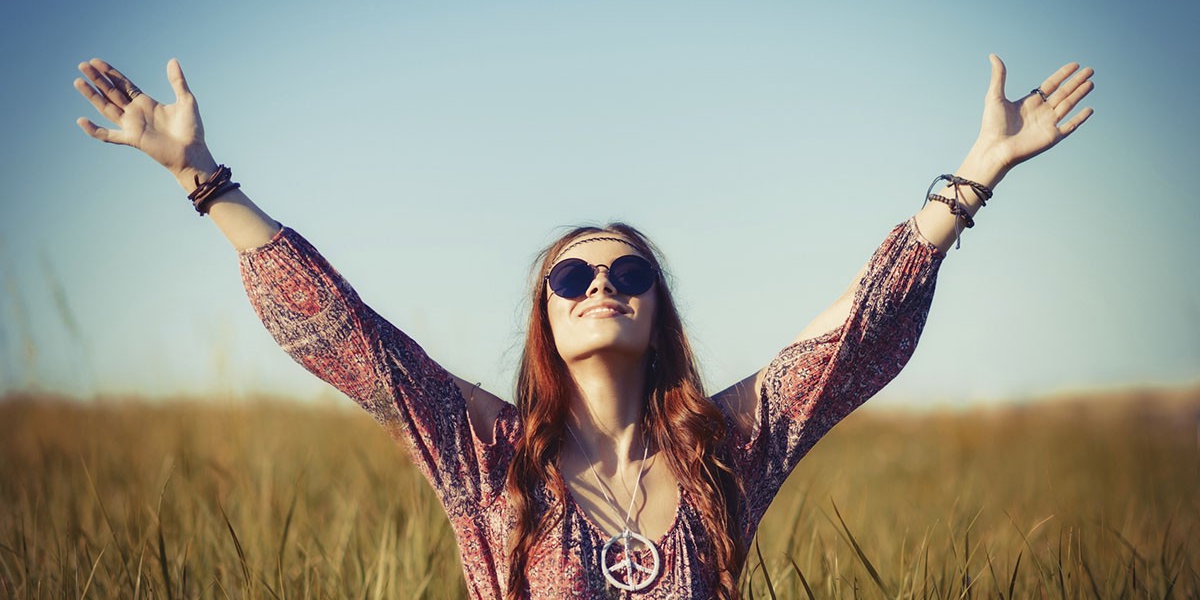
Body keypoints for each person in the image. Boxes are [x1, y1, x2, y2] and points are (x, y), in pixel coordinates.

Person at [74, 55, 1094, 599]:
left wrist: (973, 179)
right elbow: (348, 335)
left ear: (658, 311)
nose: (602, 283)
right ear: (546, 316)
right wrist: (202, 178)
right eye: (574, 273)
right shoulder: (485, 454)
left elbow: (851, 337)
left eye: (628, 271)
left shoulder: (725, 451)